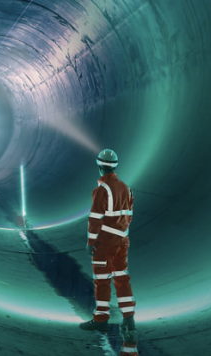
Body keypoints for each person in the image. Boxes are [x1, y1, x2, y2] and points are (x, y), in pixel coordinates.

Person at [79, 149, 137, 353]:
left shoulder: (102, 190)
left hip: (104, 244)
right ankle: (129, 320)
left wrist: (90, 242)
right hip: (122, 241)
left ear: (99, 166)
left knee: (102, 280)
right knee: (122, 279)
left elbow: (95, 220)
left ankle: (101, 319)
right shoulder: (126, 188)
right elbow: (128, 217)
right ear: (115, 166)